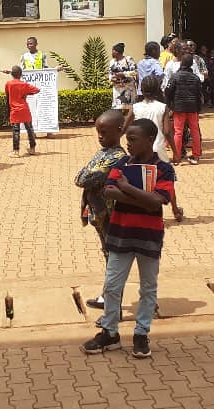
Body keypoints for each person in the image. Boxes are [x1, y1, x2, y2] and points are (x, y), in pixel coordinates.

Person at [82, 118, 173, 359]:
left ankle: (141, 334)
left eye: (133, 140)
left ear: (149, 140)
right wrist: (143, 198)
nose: (128, 144)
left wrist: (128, 189)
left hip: (148, 237)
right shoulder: (121, 163)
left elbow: (158, 201)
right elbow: (109, 191)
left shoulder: (164, 169)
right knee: (112, 286)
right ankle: (110, 333)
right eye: (127, 139)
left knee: (148, 289)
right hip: (120, 235)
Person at [76, 111, 128, 311]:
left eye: (104, 132)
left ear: (119, 131)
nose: (100, 136)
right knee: (108, 255)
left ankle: (114, 306)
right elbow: (84, 174)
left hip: (111, 216)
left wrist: (87, 174)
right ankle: (108, 297)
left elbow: (82, 178)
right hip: (100, 214)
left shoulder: (116, 157)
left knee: (114, 259)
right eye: (98, 132)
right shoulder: (104, 153)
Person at [125, 76, 184, 221]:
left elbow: (125, 126)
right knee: (167, 181)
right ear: (157, 89)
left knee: (137, 180)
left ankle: (135, 211)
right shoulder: (162, 107)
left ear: (142, 90)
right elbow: (167, 132)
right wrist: (176, 153)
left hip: (139, 148)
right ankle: (175, 210)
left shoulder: (136, 107)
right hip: (158, 148)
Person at [165, 54, 203, 164]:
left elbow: (168, 91)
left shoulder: (176, 76)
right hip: (193, 108)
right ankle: (196, 156)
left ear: (181, 62)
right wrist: (198, 109)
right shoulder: (196, 78)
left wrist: (171, 105)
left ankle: (176, 158)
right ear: (191, 64)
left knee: (178, 132)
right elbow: (199, 94)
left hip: (179, 108)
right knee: (195, 131)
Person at [5, 65, 40, 157]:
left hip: (14, 111)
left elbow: (7, 96)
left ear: (12, 74)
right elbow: (37, 90)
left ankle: (16, 152)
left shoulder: (8, 84)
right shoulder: (24, 85)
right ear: (21, 75)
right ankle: (32, 149)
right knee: (30, 129)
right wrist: (26, 93)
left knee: (16, 131)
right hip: (24, 109)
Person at [108, 43, 138, 113]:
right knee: (117, 109)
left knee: (129, 109)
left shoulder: (128, 59)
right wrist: (111, 79)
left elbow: (135, 72)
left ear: (117, 52)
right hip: (117, 90)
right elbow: (109, 73)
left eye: (113, 51)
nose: (112, 52)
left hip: (128, 89)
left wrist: (123, 74)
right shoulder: (112, 62)